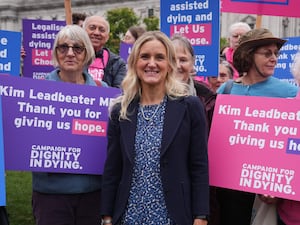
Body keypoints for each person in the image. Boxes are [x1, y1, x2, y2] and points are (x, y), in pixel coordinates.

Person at [100, 31, 209, 225]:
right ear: (134, 63)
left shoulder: (190, 106)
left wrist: (200, 216)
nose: (152, 63)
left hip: (173, 216)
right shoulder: (120, 110)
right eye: (145, 57)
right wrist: (107, 217)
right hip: (129, 216)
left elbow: (199, 166)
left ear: (170, 64)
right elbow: (113, 168)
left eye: (160, 57)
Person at [217, 28, 299, 225]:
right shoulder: (226, 90)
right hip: (228, 191)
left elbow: (292, 146)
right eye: (266, 53)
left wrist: (278, 188)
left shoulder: (290, 93)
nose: (274, 59)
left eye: (276, 54)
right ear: (249, 55)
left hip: (264, 196)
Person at [31, 25, 106, 225]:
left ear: (87, 52)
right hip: (51, 195)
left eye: (77, 48)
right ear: (56, 53)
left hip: (92, 194)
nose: (70, 53)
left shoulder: (103, 91)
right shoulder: (36, 92)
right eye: (63, 48)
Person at [171, 33, 218, 225]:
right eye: (171, 58)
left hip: (197, 186)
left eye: (183, 59)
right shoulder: (148, 95)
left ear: (192, 64)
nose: (177, 65)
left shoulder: (207, 97)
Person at [83, 15, 126, 87]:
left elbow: (119, 92)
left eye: (101, 30)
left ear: (107, 37)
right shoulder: (72, 58)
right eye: (92, 28)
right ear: (83, 32)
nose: (96, 33)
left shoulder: (118, 63)